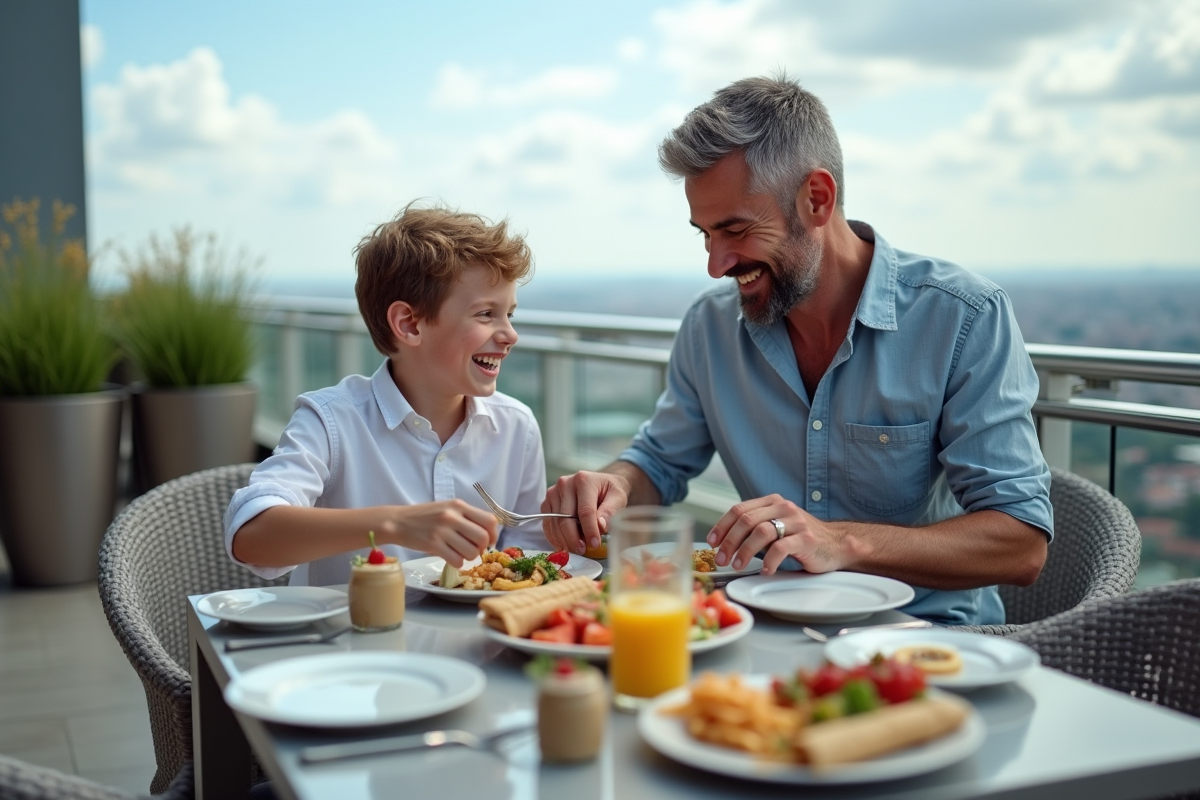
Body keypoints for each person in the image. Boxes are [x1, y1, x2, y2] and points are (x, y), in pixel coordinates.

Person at [541, 74, 1052, 625]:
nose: (716, 264)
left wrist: (843, 542)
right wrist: (615, 485)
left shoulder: (962, 317)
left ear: (817, 198)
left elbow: (1021, 543)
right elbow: (658, 463)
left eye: (735, 229)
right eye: (705, 234)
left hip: (927, 642)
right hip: (762, 630)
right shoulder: (708, 326)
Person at [225, 202, 549, 586]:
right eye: (485, 314)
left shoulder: (517, 427)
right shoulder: (332, 421)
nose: (510, 335)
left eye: (509, 314)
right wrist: (395, 523)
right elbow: (251, 536)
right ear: (409, 324)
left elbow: (534, 560)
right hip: (351, 643)